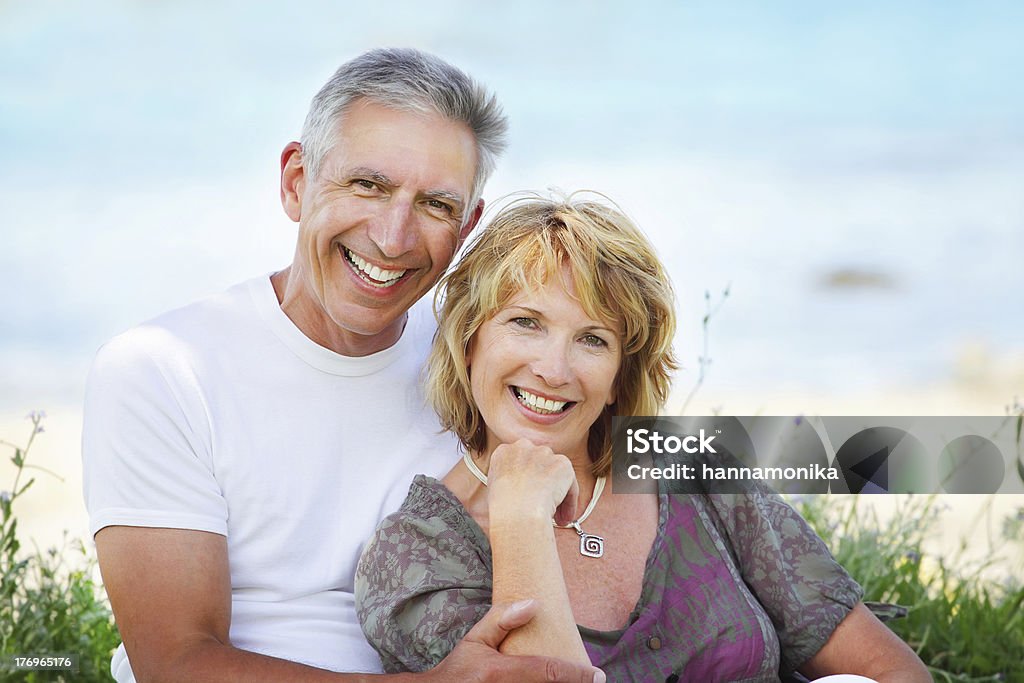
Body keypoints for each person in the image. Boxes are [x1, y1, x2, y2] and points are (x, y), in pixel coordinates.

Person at [82, 49, 602, 683]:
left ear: (468, 225)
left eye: (436, 205)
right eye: (368, 185)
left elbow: (639, 454)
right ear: (296, 181)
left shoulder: (478, 362)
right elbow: (175, 663)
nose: (392, 237)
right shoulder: (163, 370)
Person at [354, 195, 931, 682]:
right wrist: (519, 519)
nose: (554, 370)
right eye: (525, 322)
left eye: (593, 339)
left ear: (618, 378)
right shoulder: (416, 556)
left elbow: (893, 672)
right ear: (468, 341)